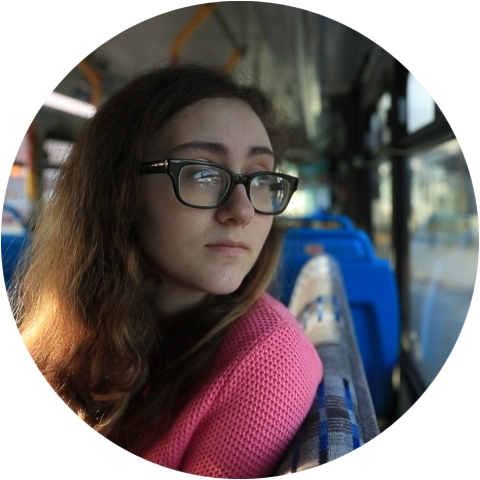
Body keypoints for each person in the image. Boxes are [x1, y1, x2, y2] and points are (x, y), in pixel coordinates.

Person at [12, 64, 323, 478]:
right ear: (119, 191)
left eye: (260, 179)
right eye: (204, 174)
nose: (243, 211)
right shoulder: (57, 329)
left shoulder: (267, 362)